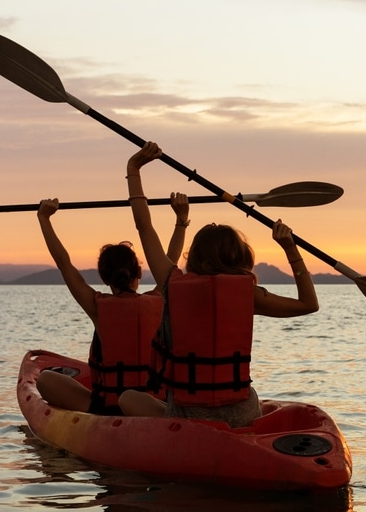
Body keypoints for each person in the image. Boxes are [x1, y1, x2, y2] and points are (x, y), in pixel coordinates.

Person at [118, 141, 319, 427]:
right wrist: (290, 248)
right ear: (242, 257)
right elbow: (309, 305)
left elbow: (144, 227)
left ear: (195, 255)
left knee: (128, 397)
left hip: (188, 415)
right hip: (241, 414)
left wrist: (133, 169)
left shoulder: (171, 282)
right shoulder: (248, 295)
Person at [35, 194, 190, 414]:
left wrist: (44, 218)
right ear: (138, 272)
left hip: (107, 409)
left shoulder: (97, 306)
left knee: (45, 379)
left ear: (104, 278)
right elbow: (171, 260)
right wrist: (181, 219)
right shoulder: (160, 298)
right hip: (154, 404)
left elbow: (63, 262)